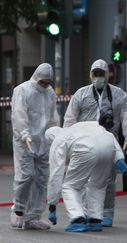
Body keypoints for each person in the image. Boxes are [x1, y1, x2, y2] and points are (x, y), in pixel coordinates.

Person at [63, 59, 127, 227]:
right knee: (83, 180)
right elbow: (69, 119)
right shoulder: (81, 94)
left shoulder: (118, 95)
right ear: (90, 75)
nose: (98, 77)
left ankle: (106, 213)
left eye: (101, 74)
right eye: (95, 74)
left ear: (107, 75)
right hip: (85, 143)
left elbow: (126, 118)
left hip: (108, 142)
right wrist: (68, 140)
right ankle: (86, 213)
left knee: (108, 181)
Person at [45, 117, 127, 232]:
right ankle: (95, 220)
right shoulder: (78, 128)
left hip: (85, 148)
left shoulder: (58, 140)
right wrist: (119, 158)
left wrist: (52, 205)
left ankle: (77, 219)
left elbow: (55, 175)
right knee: (98, 186)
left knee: (70, 186)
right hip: (108, 147)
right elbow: (109, 135)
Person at [10, 63, 60, 230]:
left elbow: (53, 116)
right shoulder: (22, 90)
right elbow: (19, 114)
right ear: (36, 78)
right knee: (26, 176)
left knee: (41, 179)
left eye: (48, 82)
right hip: (24, 141)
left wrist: (55, 136)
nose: (45, 85)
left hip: (43, 141)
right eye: (43, 82)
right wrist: (24, 135)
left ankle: (33, 216)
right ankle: (18, 210)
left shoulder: (50, 93)